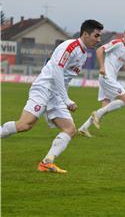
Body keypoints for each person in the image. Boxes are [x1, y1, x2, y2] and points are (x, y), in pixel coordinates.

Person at [0, 20, 103, 173]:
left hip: (56, 94)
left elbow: (55, 67)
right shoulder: (71, 46)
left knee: (69, 129)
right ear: (85, 34)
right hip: (44, 89)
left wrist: (63, 97)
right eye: (96, 35)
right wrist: (66, 99)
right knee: (25, 125)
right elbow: (56, 71)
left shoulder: (82, 53)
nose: (99, 39)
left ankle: (46, 162)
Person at [78, 26, 125, 137]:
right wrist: (102, 67)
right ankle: (96, 114)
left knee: (105, 108)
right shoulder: (117, 43)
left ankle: (84, 128)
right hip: (106, 76)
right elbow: (99, 50)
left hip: (112, 78)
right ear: (124, 33)